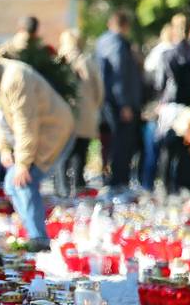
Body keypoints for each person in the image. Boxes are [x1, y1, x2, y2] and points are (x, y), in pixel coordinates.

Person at [0, 50, 74, 252]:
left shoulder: (15, 78)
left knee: (22, 181)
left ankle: (39, 240)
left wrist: (23, 163)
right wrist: (4, 149)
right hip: (35, 136)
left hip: (53, 133)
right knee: (11, 185)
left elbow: (26, 123)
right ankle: (33, 233)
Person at [95, 11, 142, 192]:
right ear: (125, 25)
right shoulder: (119, 44)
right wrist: (125, 104)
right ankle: (118, 181)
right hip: (119, 102)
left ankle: (113, 178)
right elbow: (119, 75)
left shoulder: (101, 42)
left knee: (112, 142)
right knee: (122, 143)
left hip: (107, 100)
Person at [56, 28, 103, 197]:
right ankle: (78, 185)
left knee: (62, 153)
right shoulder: (88, 61)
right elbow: (99, 90)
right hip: (86, 115)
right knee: (80, 152)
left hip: (64, 114)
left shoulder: (59, 61)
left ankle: (62, 187)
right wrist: (93, 106)